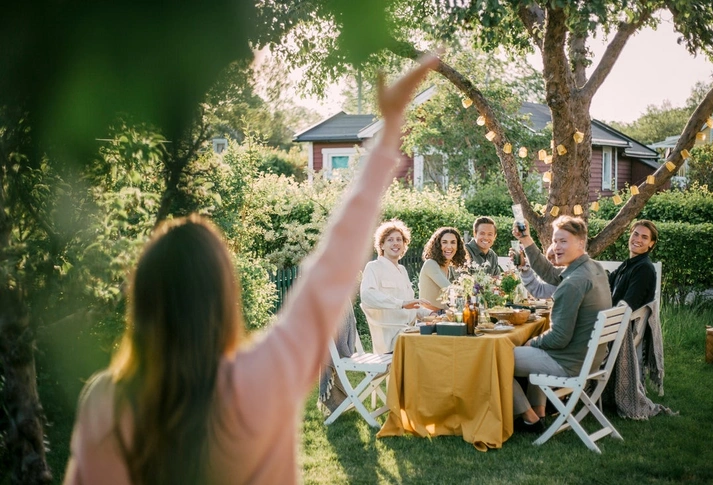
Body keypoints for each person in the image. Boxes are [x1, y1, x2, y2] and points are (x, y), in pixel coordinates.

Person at [62, 53, 440, 485]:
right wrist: (389, 131)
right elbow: (333, 265)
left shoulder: (104, 402)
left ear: (143, 298)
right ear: (225, 295)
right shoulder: (266, 372)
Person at [510, 216, 611, 432]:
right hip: (590, 361)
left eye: (563, 241)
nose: (556, 247)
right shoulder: (594, 268)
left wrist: (532, 343)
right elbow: (549, 273)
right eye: (555, 241)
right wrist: (526, 239)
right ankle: (539, 412)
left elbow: (558, 338)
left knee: (494, 358)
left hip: (568, 363)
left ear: (581, 243)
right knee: (527, 349)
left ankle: (528, 417)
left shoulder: (574, 283)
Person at [360, 219, 438, 353]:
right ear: (382, 245)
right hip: (390, 339)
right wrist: (401, 304)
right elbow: (367, 296)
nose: (395, 243)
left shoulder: (402, 270)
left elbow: (411, 305)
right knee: (434, 349)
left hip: (409, 332)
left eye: (399, 239)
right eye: (390, 240)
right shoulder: (373, 267)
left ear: (404, 245)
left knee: (442, 340)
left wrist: (431, 313)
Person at [608, 219, 658, 310]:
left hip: (624, 322)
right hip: (613, 318)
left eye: (644, 237)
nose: (638, 239)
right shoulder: (628, 264)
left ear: (651, 243)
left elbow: (629, 305)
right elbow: (606, 282)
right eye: (635, 234)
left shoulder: (644, 268)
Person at [418, 226, 468, 309]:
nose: (449, 246)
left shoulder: (447, 268)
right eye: (444, 242)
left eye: (453, 242)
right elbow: (449, 289)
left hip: (441, 315)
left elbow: (444, 301)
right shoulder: (431, 264)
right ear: (438, 245)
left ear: (458, 246)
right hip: (427, 317)